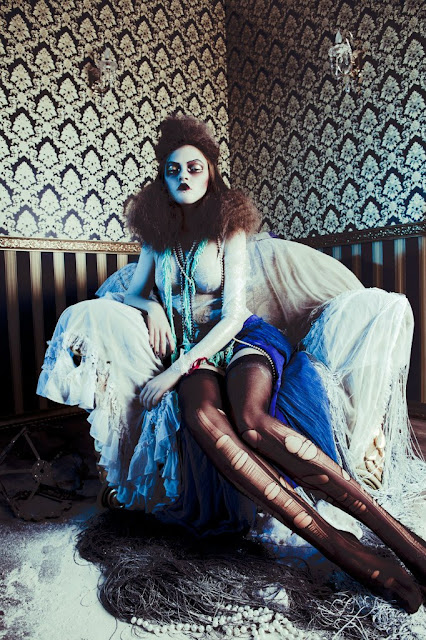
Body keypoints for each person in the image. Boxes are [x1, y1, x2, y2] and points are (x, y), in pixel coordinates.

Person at [37, 115, 425, 615]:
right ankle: (347, 550)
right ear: (162, 178)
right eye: (172, 169)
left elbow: (236, 314)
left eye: (193, 168)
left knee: (253, 423)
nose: (182, 176)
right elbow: (133, 291)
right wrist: (152, 307)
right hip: (194, 354)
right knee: (203, 419)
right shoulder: (156, 239)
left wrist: (174, 371)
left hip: (241, 340)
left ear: (211, 174)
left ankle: (404, 541)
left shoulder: (229, 229)